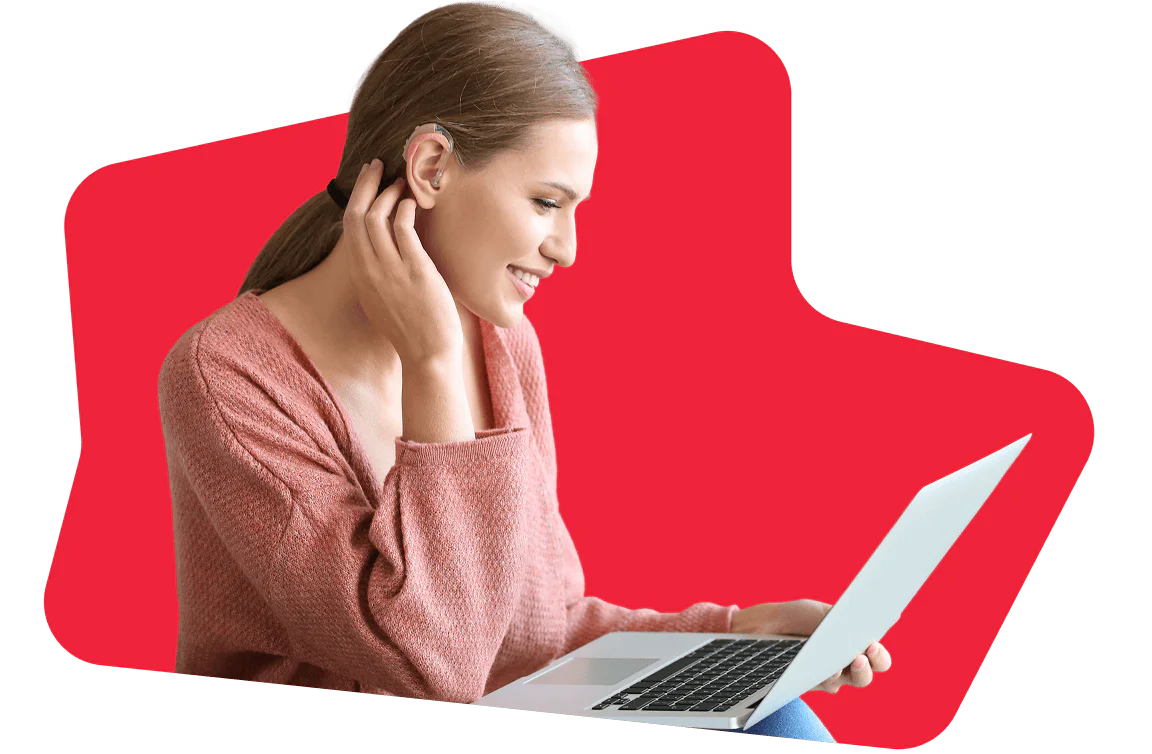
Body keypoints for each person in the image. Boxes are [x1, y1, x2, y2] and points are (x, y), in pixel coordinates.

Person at [156, 1, 889, 742]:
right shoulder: (228, 377)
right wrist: (433, 363)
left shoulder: (504, 348)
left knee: (776, 713)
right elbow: (434, 668)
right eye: (546, 202)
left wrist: (732, 631)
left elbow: (535, 636)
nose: (567, 249)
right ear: (432, 168)